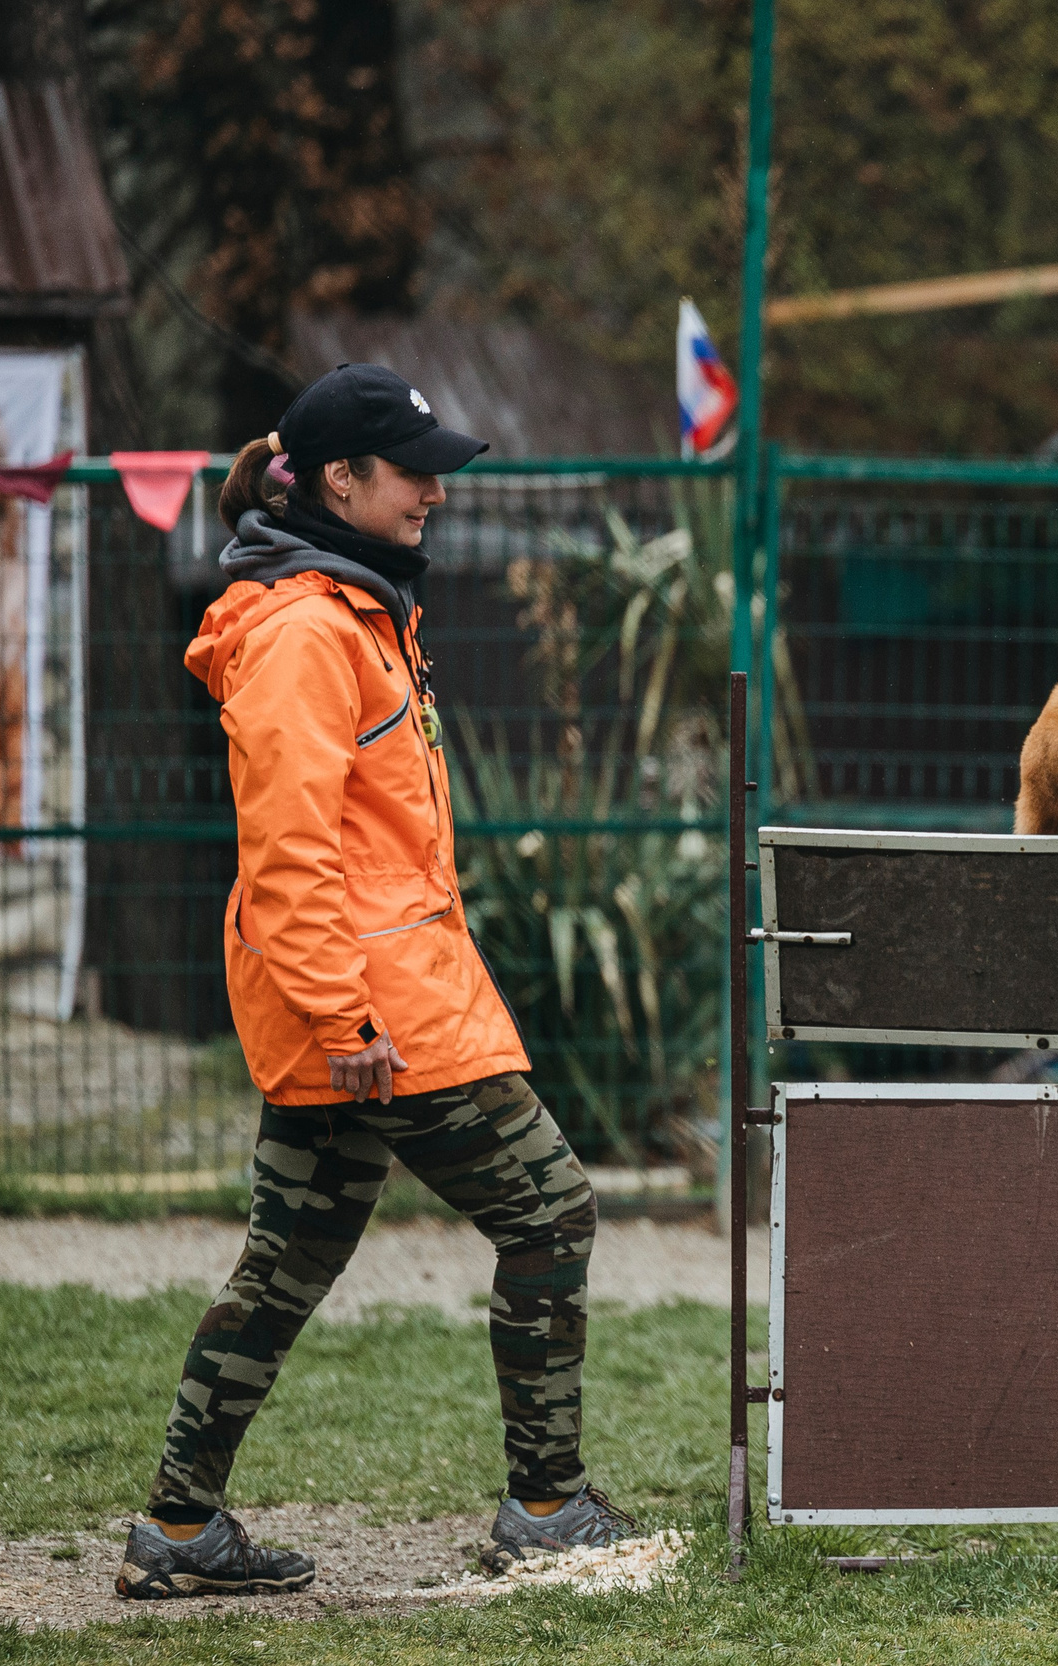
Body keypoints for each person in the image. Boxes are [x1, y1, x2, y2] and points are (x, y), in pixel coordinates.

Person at [116, 364, 633, 1600]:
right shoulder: (303, 632)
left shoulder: (356, 611)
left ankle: (180, 1529)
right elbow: (286, 850)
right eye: (415, 474)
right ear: (340, 479)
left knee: (285, 1264)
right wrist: (343, 1012)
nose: (435, 495)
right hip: (375, 1014)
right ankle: (546, 1502)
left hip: (365, 1002)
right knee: (551, 1211)